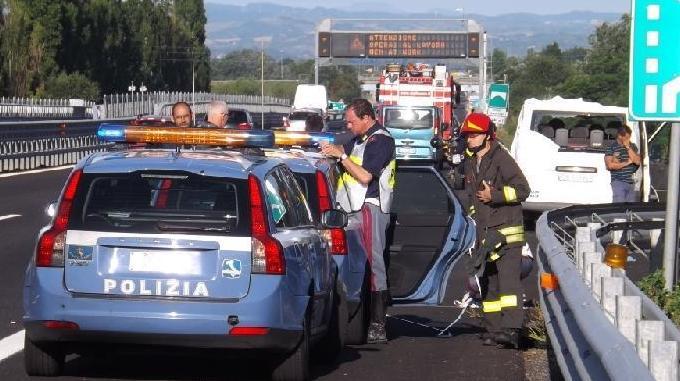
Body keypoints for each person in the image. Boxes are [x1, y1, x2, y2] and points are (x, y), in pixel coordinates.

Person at [319, 98, 396, 344]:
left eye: (351, 122)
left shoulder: (381, 140)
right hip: (351, 209)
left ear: (366, 118)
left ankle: (378, 324)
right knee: (359, 265)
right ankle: (359, 316)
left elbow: (364, 176)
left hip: (371, 207)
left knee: (374, 265)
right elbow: (341, 148)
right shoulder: (359, 139)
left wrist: (342, 158)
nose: (349, 127)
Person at [459, 112, 530, 349]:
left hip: (507, 233)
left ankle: (512, 331)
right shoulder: (472, 161)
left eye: (475, 134)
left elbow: (522, 190)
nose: (470, 139)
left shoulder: (501, 158)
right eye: (468, 135)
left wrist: (495, 196)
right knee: (489, 283)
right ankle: (493, 329)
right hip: (486, 234)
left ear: (488, 136)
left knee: (509, 283)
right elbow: (472, 198)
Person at [605, 124, 641, 202]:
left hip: (631, 183)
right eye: (627, 137)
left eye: (629, 137)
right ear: (620, 136)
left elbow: (637, 161)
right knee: (619, 206)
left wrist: (628, 147)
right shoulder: (611, 147)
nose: (628, 139)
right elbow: (610, 166)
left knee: (630, 209)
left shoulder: (632, 146)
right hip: (618, 182)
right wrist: (627, 163)